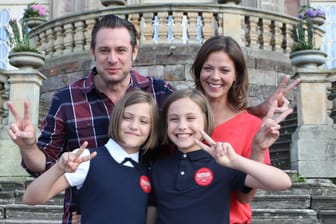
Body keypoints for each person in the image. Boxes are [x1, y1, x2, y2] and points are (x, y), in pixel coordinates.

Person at [7, 14, 298, 223]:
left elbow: (194, 106)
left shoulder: (161, 103)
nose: (113, 58)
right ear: (92, 52)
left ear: (134, 51)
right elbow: (37, 182)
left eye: (121, 50)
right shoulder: (74, 119)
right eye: (104, 50)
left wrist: (255, 111)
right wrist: (37, 152)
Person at [190, 35, 300, 224]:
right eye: (208, 68)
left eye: (224, 70)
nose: (215, 76)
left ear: (236, 77)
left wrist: (258, 150)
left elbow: (244, 197)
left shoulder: (251, 125)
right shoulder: (180, 120)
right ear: (199, 70)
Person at [147, 88, 292, 224]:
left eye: (190, 118)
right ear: (165, 124)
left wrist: (237, 160)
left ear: (205, 121)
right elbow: (151, 216)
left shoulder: (222, 163)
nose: (182, 126)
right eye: (174, 119)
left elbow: (283, 182)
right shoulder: (157, 168)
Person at [23, 90, 159, 223]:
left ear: (152, 129)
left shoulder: (148, 171)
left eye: (144, 121)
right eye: (127, 117)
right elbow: (31, 197)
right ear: (116, 119)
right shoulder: (87, 159)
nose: (134, 126)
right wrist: (58, 168)